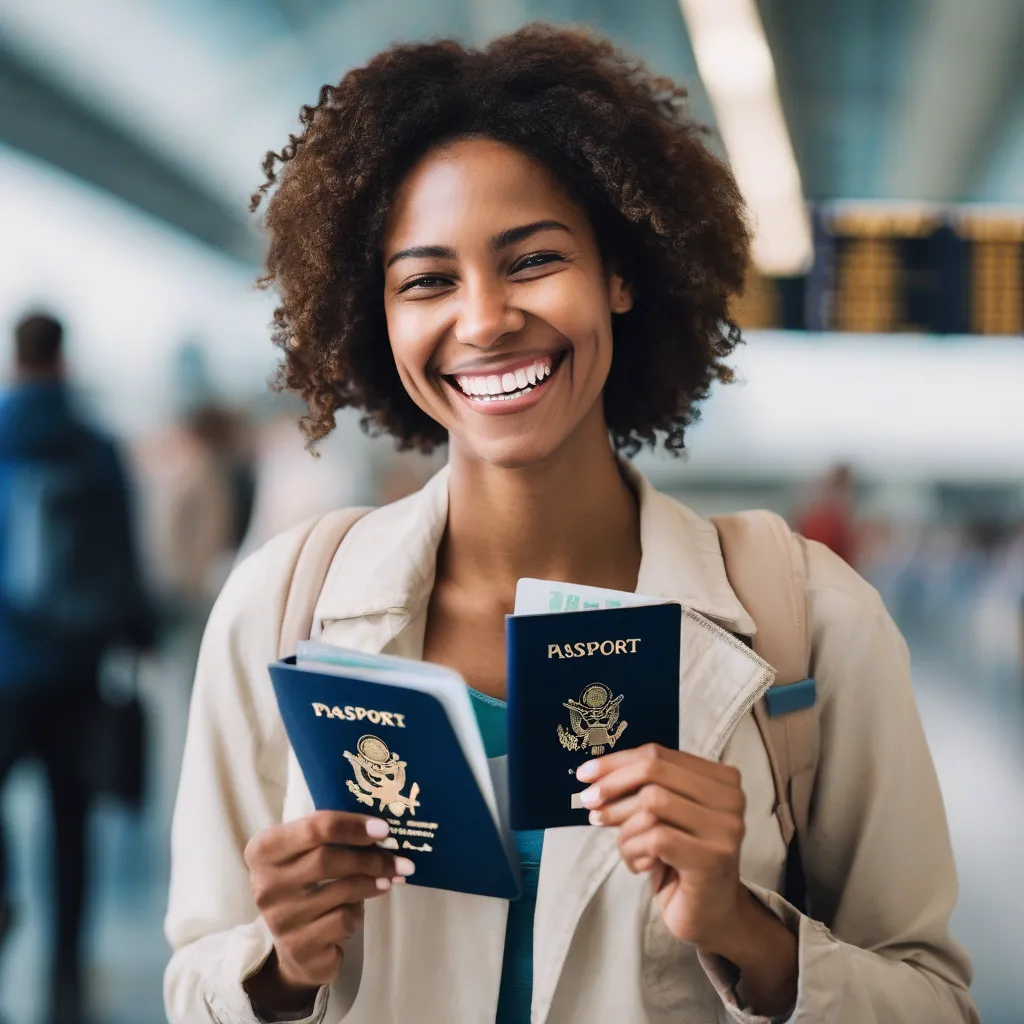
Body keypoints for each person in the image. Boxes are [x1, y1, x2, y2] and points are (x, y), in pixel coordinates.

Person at [164, 25, 978, 1024]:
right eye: (427, 279)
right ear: (376, 317)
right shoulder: (279, 608)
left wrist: (743, 930)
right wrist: (279, 971)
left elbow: (934, 999)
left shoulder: (809, 620)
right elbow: (196, 970)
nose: (485, 318)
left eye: (533, 259)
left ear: (620, 275)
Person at [0, 313, 154, 1024]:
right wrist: (134, 634)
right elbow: (126, 557)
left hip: (4, 669)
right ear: (64, 356)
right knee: (71, 824)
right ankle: (65, 972)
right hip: (79, 668)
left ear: (16, 355)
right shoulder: (96, 445)